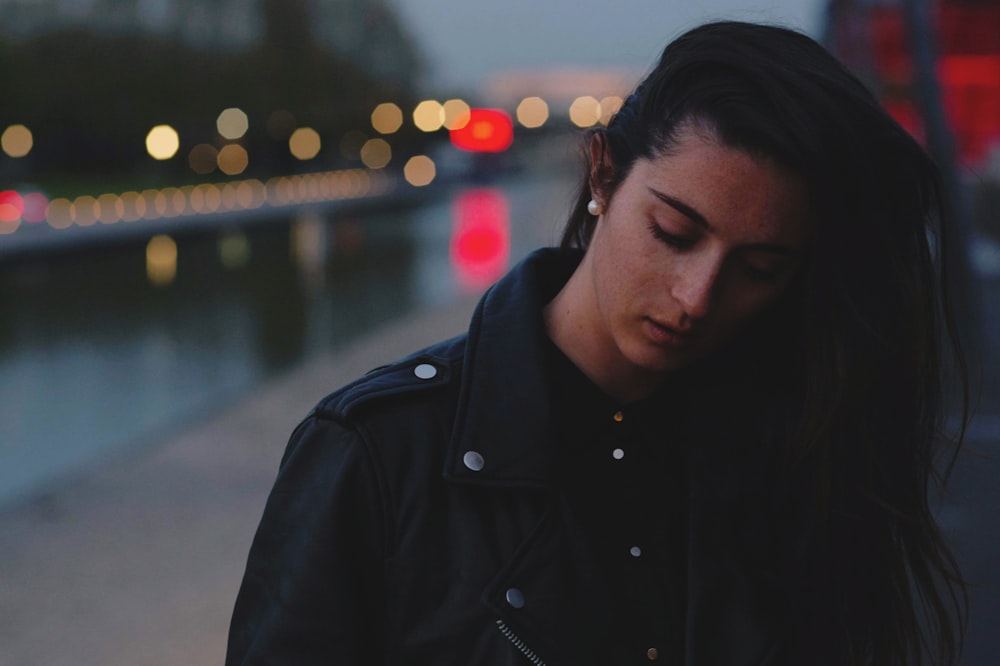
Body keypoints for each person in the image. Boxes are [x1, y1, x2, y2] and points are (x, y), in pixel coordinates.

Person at [226, 20, 968, 666]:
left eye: (759, 269)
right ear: (603, 175)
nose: (697, 296)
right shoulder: (378, 453)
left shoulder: (790, 438)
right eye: (673, 234)